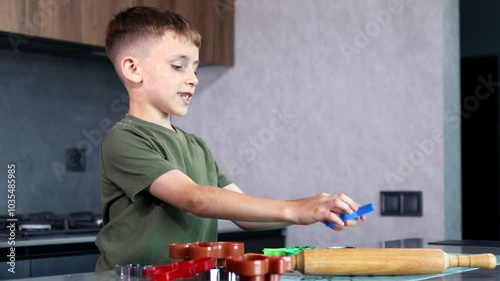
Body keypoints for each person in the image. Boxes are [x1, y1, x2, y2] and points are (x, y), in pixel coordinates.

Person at [95, 6, 367, 271]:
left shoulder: (196, 146)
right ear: (133, 69)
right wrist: (296, 210)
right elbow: (195, 199)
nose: (193, 79)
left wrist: (312, 211)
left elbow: (243, 216)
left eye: (195, 69)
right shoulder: (124, 139)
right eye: (178, 66)